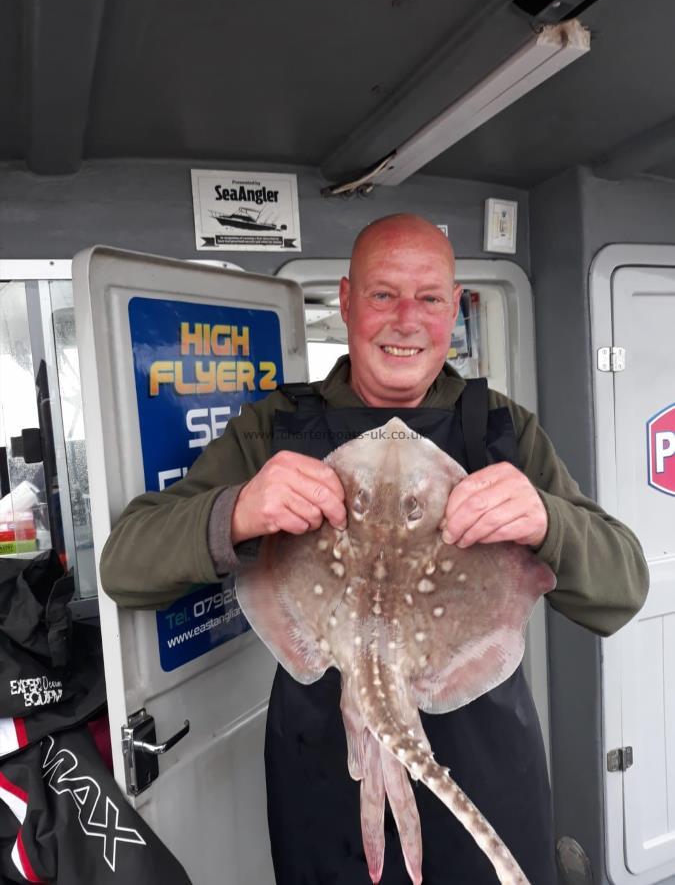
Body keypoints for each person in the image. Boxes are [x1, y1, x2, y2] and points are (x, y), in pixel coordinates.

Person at [100, 214, 648, 884]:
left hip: (480, 757)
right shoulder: (275, 427)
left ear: (454, 306)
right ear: (346, 299)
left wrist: (547, 521)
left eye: (429, 297)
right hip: (321, 766)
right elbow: (123, 564)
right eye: (383, 294)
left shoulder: (500, 427)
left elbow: (623, 588)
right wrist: (234, 510)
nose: (406, 319)